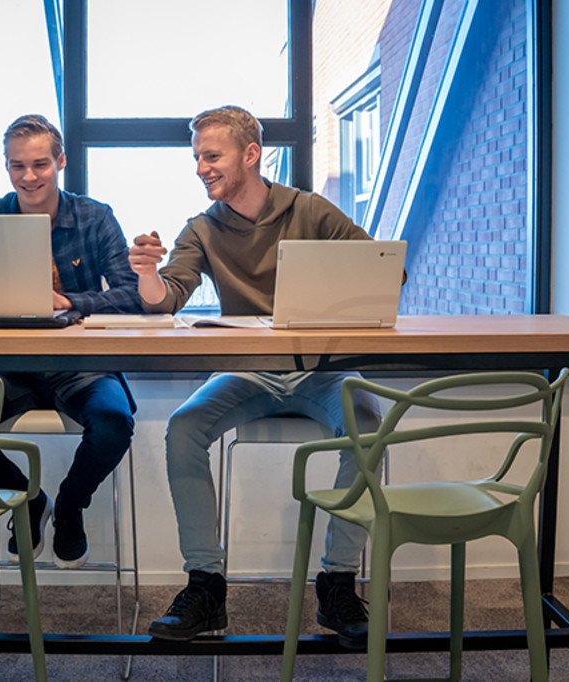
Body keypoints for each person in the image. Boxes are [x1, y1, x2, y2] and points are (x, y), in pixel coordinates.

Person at [128, 105, 387, 647]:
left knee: (369, 428)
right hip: (248, 373)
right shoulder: (201, 227)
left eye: (212, 155)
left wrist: (329, 294)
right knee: (184, 428)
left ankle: (337, 583)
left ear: (251, 155)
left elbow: (386, 270)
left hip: (321, 371)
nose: (201, 167)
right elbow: (165, 301)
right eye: (197, 156)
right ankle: (205, 585)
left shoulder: (309, 210)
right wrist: (148, 274)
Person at [0, 114, 141, 569]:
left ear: (60, 161)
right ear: (6, 167)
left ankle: (68, 506)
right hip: (8, 365)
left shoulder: (95, 216)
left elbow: (132, 294)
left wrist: (68, 300)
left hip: (81, 363)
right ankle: (27, 498)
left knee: (113, 424)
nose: (28, 176)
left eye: (40, 164)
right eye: (17, 165)